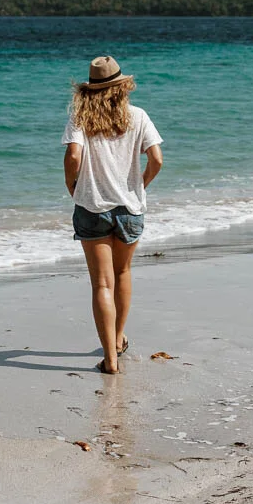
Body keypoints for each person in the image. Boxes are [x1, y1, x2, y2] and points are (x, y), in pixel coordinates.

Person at [63, 55, 164, 375]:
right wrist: (140, 187)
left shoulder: (81, 118)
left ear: (90, 91)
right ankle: (118, 338)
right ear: (122, 88)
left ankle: (110, 358)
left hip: (92, 206)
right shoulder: (138, 116)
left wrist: (73, 187)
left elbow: (73, 155)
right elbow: (157, 159)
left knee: (101, 285)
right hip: (130, 208)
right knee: (122, 274)